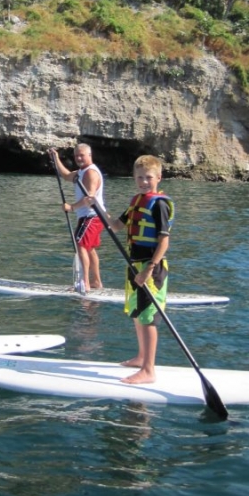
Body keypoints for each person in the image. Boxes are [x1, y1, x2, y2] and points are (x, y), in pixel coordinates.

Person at [103, 155, 174, 384]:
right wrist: (99, 210)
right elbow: (116, 226)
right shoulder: (136, 201)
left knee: (148, 317)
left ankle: (149, 370)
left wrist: (149, 269)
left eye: (149, 177)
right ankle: (141, 357)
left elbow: (164, 241)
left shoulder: (159, 204)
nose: (144, 182)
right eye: (140, 177)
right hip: (134, 266)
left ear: (159, 178)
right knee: (137, 314)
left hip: (150, 269)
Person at [48, 144, 105, 291]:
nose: (79, 158)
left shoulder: (90, 173)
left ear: (89, 155)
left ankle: (85, 283)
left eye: (82, 155)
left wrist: (71, 207)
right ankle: (96, 282)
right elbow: (66, 176)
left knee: (80, 245)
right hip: (88, 216)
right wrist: (56, 159)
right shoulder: (81, 171)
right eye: (76, 156)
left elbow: (89, 198)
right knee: (90, 248)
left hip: (92, 216)